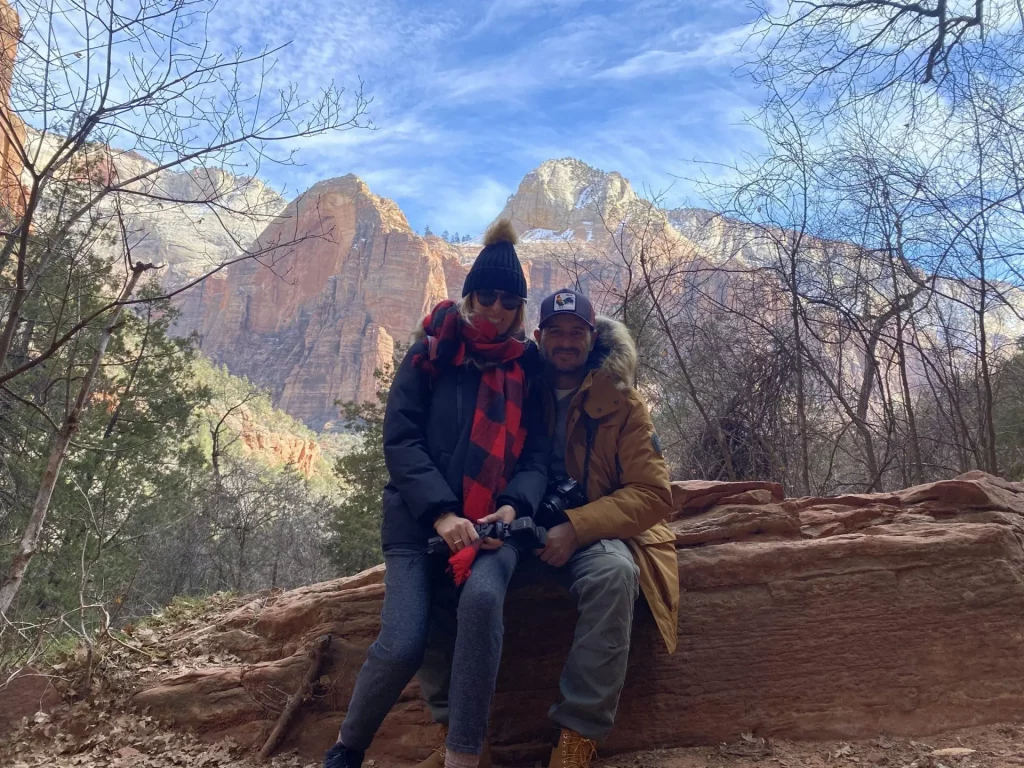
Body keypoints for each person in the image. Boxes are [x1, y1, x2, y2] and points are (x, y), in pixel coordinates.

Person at [416, 288, 678, 768]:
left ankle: (577, 738)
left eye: (575, 332)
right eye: (554, 332)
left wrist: (578, 527)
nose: (565, 342)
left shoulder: (621, 402)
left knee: (616, 576)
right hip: (508, 523)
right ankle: (459, 732)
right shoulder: (511, 380)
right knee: (435, 575)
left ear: (591, 337)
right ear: (538, 336)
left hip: (589, 531)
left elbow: (652, 493)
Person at [322, 219, 549, 768]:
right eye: (487, 296)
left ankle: (462, 757)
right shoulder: (431, 352)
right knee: (401, 643)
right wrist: (443, 513)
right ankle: (347, 750)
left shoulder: (528, 366)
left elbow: (539, 455)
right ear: (470, 296)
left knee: (481, 601)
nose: (496, 309)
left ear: (520, 307)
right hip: (416, 525)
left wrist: (513, 506)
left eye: (508, 300)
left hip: (495, 530)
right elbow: (400, 439)